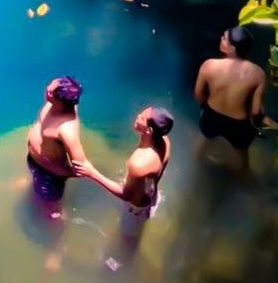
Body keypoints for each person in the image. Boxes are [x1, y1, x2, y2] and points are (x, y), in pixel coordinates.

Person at [73, 106, 173, 266]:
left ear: (149, 130)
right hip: (150, 194)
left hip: (134, 209)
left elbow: (125, 194)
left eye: (141, 118)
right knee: (133, 229)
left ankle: (121, 263)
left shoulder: (139, 164)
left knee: (127, 241)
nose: (137, 116)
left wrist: (92, 173)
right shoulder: (165, 141)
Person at [24, 76, 86, 271]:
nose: (47, 91)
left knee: (53, 212)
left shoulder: (66, 130)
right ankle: (33, 185)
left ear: (61, 100)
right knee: (39, 192)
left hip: (49, 175)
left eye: (51, 91)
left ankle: (58, 247)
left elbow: (81, 167)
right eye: (50, 86)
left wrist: (57, 171)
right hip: (37, 165)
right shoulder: (55, 104)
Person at [193, 26, 268, 169]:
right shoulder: (258, 74)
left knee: (206, 139)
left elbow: (198, 95)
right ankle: (240, 178)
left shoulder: (209, 65)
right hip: (238, 125)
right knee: (242, 154)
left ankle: (197, 163)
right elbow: (255, 112)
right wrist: (258, 123)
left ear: (232, 49)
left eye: (224, 38)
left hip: (211, 116)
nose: (221, 38)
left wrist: (209, 105)